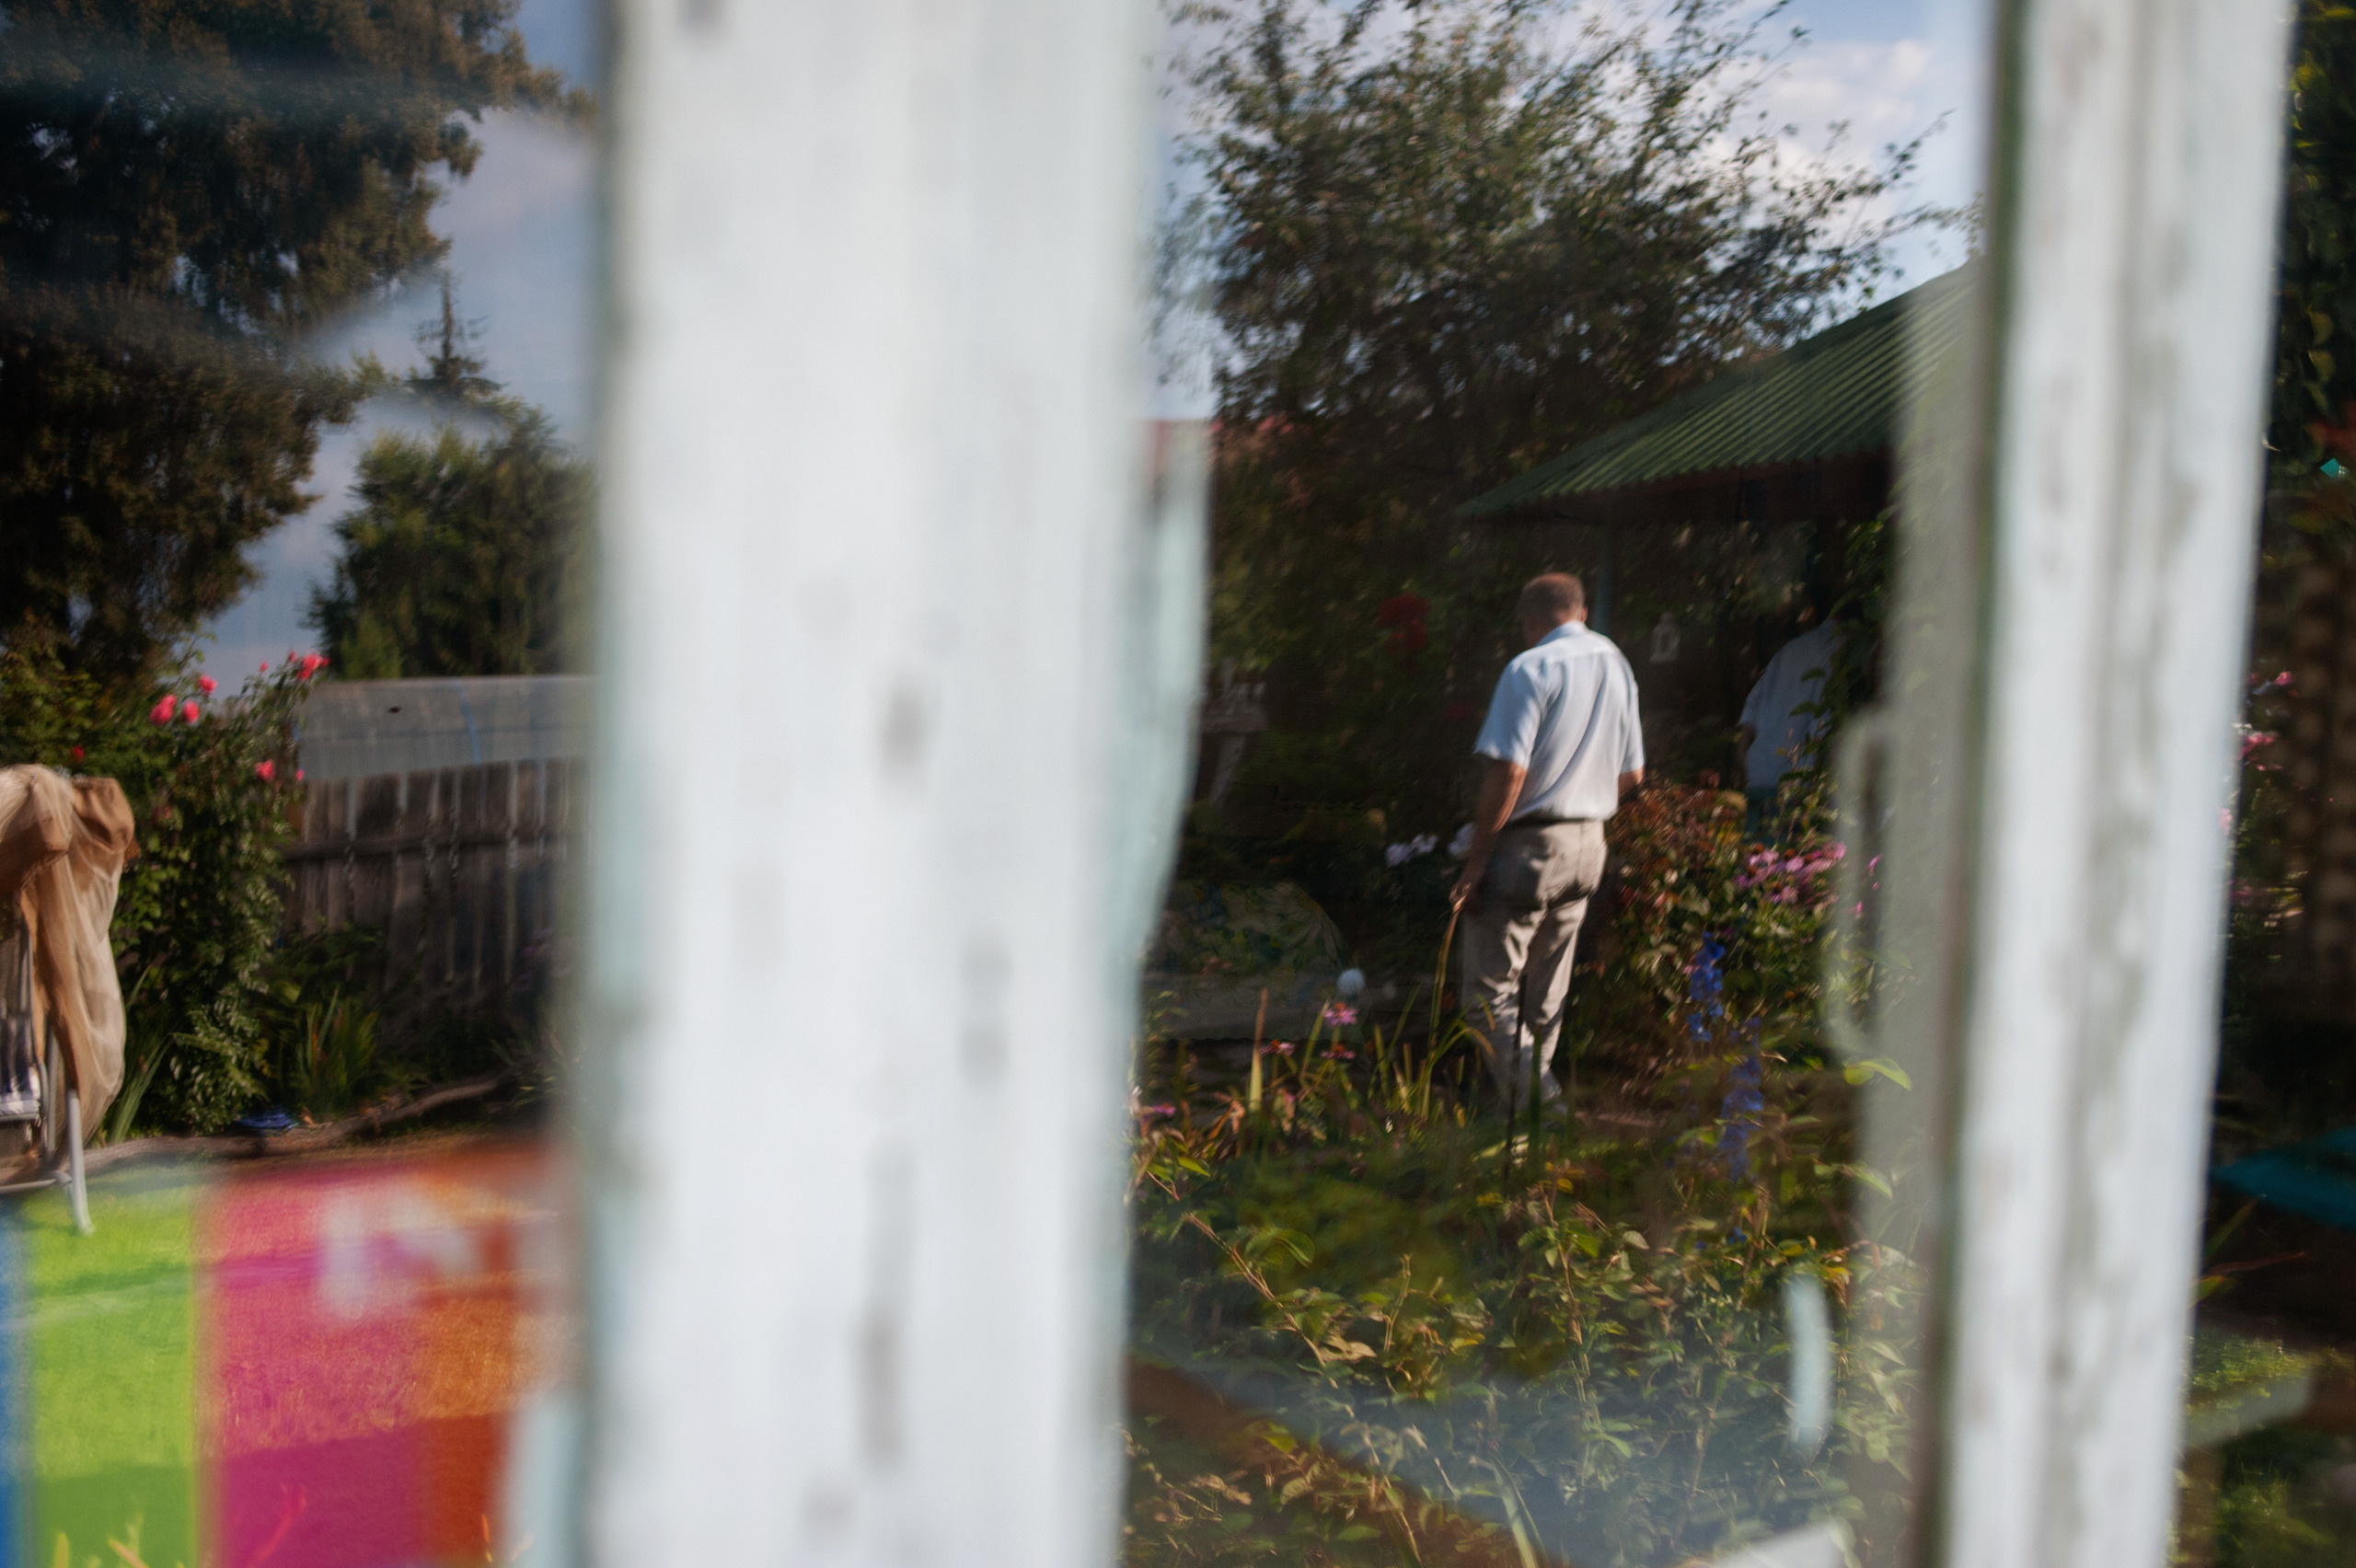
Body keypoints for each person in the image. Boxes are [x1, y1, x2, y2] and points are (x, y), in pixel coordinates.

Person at [1449, 572, 1644, 1116]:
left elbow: (1509, 770)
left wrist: (1477, 861)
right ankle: (1518, 1133)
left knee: (1486, 995)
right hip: (1590, 844)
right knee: (1545, 994)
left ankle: (1545, 1111)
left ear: (1530, 619)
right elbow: (1633, 777)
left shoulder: (1530, 667)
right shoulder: (1617, 664)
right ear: (1581, 611)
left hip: (1528, 849)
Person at [1737, 616, 1844, 841]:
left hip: (1760, 777)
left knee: (1752, 868)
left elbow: (1751, 709)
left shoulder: (1791, 649)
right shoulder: (1841, 651)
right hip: (1799, 791)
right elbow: (1821, 726)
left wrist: (1748, 760)